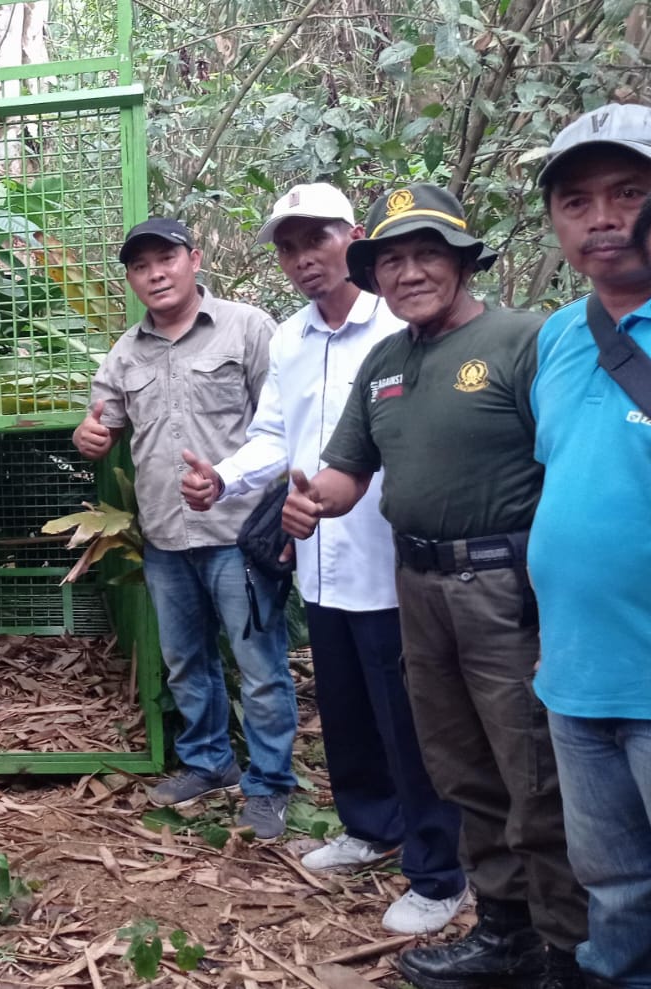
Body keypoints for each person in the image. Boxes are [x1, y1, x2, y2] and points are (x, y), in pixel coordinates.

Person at [282, 183, 586, 989]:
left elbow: (574, 464)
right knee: (460, 765)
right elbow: (349, 472)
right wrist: (313, 499)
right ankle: (504, 929)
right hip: (415, 583)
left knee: (535, 771)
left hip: (504, 588)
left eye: (426, 254)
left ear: (459, 260)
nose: (409, 272)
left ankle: (566, 950)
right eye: (392, 259)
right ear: (374, 273)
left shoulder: (525, 340)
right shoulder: (385, 363)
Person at [180, 184, 466, 933]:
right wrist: (225, 476)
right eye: (288, 245)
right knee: (342, 706)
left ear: (354, 238)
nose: (304, 258)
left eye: (318, 240)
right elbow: (278, 432)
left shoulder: (397, 326)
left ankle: (440, 869)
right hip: (318, 555)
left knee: (413, 718)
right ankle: (371, 826)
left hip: (395, 557)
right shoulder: (291, 339)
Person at [73, 216, 299, 838]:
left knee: (259, 663)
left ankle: (272, 783)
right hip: (167, 538)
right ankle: (210, 763)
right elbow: (101, 426)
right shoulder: (126, 352)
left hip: (238, 534)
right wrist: (88, 437)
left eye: (166, 259)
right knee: (185, 663)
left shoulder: (248, 329)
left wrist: (245, 483)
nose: (155, 274)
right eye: (141, 266)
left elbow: (282, 425)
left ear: (195, 259)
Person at [527, 104, 651, 988]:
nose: (603, 218)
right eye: (577, 201)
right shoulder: (558, 336)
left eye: (631, 192)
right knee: (614, 882)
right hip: (578, 674)